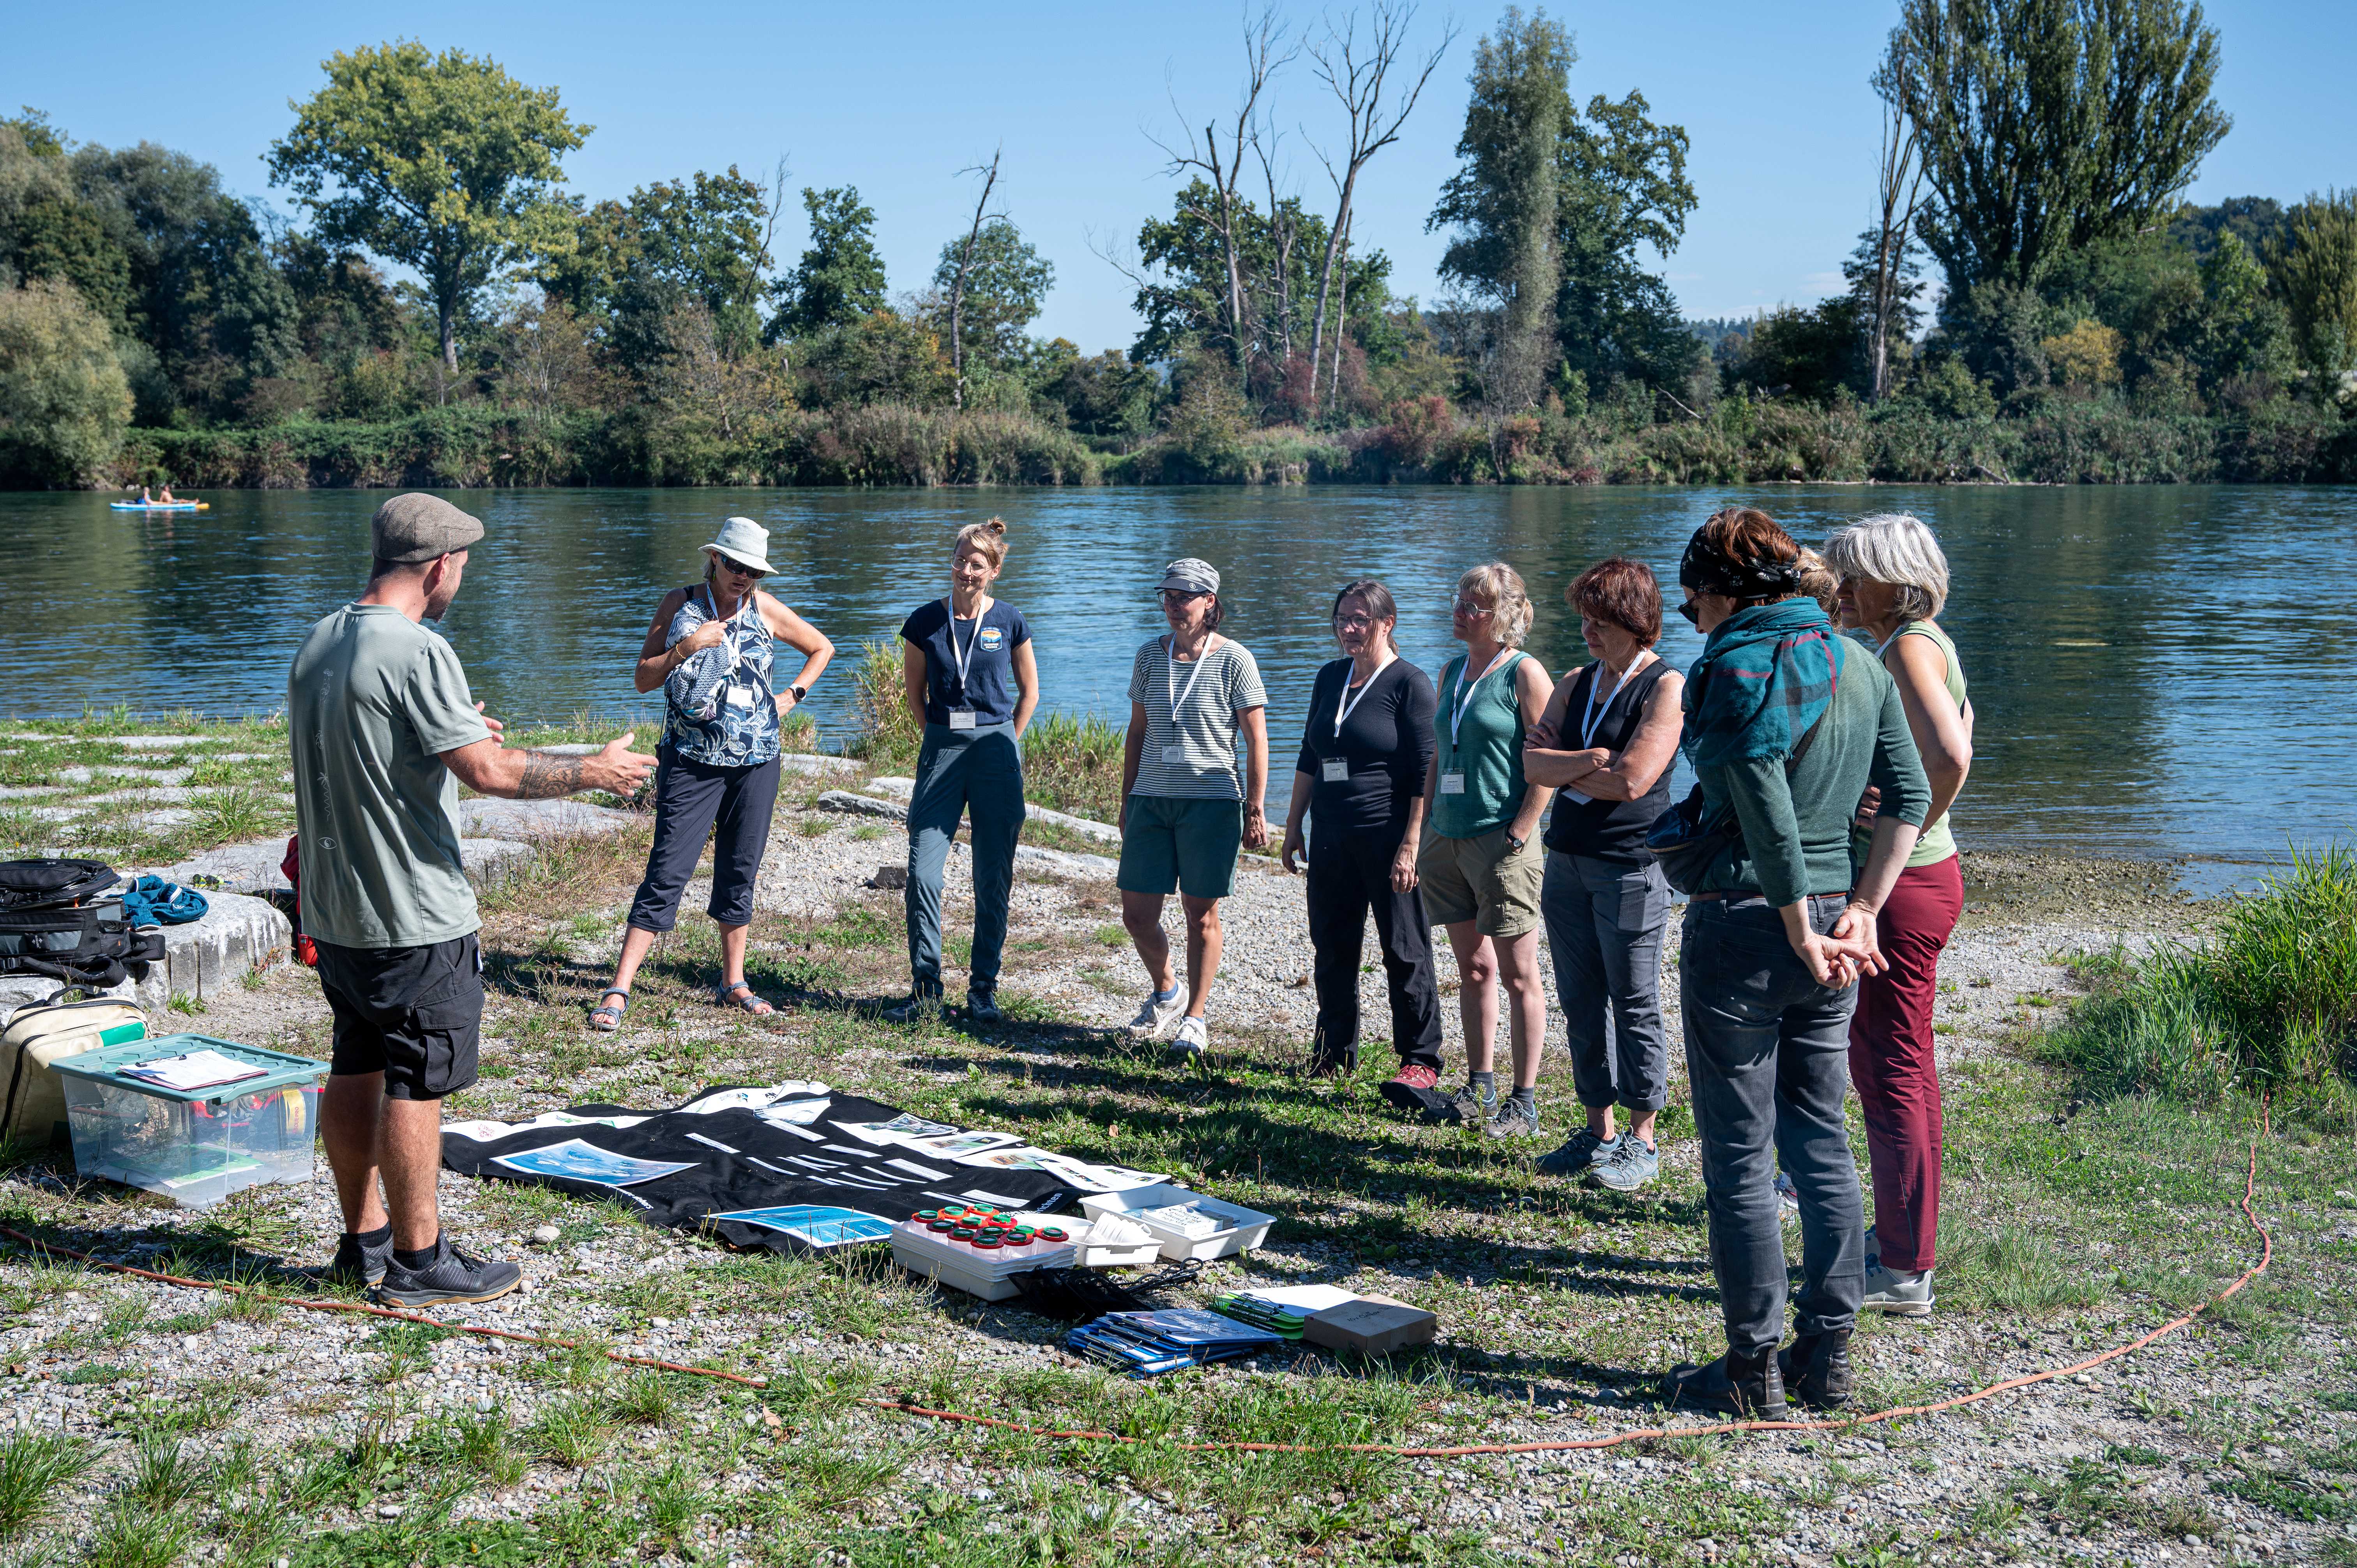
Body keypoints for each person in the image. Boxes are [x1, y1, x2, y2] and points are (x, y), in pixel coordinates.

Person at [290, 493, 655, 1305]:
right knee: (416, 1078)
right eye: (463, 566)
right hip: (411, 910)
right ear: (440, 566)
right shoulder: (418, 649)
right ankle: (420, 1265)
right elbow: (489, 773)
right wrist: (594, 770)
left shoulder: (323, 638)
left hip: (337, 910)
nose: (462, 579)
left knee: (356, 1061)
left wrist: (453, 730)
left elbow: (377, 743)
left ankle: (364, 1242)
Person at [1658, 506, 1931, 1419]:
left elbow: (1765, 796)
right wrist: (1859, 907)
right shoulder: (1859, 659)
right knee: (1818, 1134)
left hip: (1748, 922)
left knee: (1739, 1158)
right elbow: (1914, 793)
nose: (1691, 614)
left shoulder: (1736, 662)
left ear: (1729, 592)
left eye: (1693, 597)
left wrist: (1796, 918)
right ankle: (1832, 1353)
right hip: (1833, 921)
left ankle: (1752, 1368)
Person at [590, 517, 834, 1030]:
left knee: (740, 869)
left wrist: (791, 697)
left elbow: (822, 648)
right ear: (716, 560)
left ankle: (734, 982)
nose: (744, 577)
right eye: (736, 566)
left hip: (757, 762)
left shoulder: (763, 608)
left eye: (754, 570)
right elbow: (641, 679)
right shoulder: (680, 604)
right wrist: (688, 648)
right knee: (668, 870)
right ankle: (619, 988)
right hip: (691, 763)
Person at [1825, 513, 1974, 1317]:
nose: (1841, 590)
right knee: (1901, 1062)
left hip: (1907, 885)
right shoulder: (1928, 641)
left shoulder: (1910, 643)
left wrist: (1901, 824)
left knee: (1890, 1067)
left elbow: (1950, 757)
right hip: (1925, 875)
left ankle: (1905, 1266)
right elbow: (1962, 734)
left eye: (1855, 573)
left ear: (1896, 576)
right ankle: (1903, 1246)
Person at [1521, 558, 1685, 1190]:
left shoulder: (1666, 685)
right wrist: (1587, 758)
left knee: (1635, 1000)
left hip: (1631, 866)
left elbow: (1634, 779)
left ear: (1631, 619)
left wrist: (1569, 767)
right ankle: (1598, 1128)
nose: (1585, 628)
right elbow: (1531, 765)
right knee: (1580, 1000)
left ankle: (1641, 1139)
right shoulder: (1574, 680)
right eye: (1583, 616)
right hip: (1565, 862)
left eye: (1597, 618)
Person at [1279, 579, 1443, 1084]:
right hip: (1329, 834)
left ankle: (1419, 1060)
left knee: (1404, 950)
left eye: (1360, 621)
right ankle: (1333, 1055)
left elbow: (1425, 771)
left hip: (1387, 836)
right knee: (1332, 947)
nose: (1349, 629)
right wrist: (1292, 827)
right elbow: (1311, 756)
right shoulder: (1329, 677)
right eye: (1342, 620)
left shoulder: (1409, 684)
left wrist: (1412, 843)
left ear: (1386, 624)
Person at [1415, 562, 1557, 1134]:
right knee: (1472, 969)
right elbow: (1437, 757)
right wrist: (1423, 828)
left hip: (1502, 841)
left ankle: (1524, 1102)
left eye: (1473, 605)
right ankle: (1480, 1087)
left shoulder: (1524, 674)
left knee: (1518, 973)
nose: (1459, 610)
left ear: (1500, 617)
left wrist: (1521, 829)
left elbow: (1549, 764)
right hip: (1447, 837)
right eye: (1460, 599)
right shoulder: (1452, 671)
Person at [885, 518, 1039, 1024]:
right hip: (942, 750)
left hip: (997, 751)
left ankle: (982, 991)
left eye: (976, 564)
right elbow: (914, 695)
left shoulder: (1011, 621)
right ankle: (927, 991)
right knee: (923, 872)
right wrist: (939, 738)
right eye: (959, 561)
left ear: (993, 570)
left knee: (992, 877)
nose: (965, 571)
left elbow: (1029, 693)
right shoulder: (925, 621)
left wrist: (1007, 742)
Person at [1117, 558, 1270, 1055]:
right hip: (1152, 800)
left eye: (1185, 596)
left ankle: (1196, 1018)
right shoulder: (1147, 656)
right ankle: (1168, 991)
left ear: (1210, 602)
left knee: (1200, 914)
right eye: (1168, 596)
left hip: (1212, 803)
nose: (1174, 605)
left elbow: (1257, 740)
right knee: (1137, 914)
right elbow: (1137, 733)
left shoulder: (1235, 660)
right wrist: (1127, 798)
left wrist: (1256, 809)